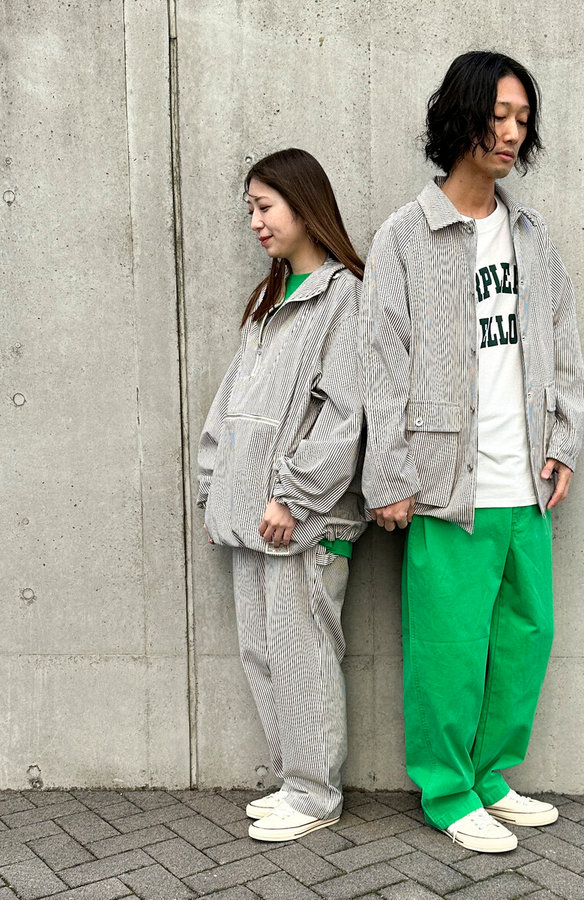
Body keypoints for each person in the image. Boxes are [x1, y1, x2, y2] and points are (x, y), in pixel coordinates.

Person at [359, 51, 584, 853]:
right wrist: (389, 475)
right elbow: (379, 365)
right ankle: (448, 790)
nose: (512, 133)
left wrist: (564, 442)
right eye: (499, 115)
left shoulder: (530, 235)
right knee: (448, 652)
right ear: (461, 117)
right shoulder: (405, 236)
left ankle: (489, 776)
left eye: (522, 119)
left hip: (526, 483)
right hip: (446, 487)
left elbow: (562, 345)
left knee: (526, 638)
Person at [197, 148, 365, 842]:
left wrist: (294, 497)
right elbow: (231, 407)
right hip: (247, 518)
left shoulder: (342, 297)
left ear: (303, 203)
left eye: (265, 207)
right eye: (251, 210)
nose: (256, 222)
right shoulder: (269, 303)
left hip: (302, 522)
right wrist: (214, 488)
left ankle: (316, 794)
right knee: (262, 653)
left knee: (304, 653)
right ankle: (294, 781)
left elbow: (346, 414)